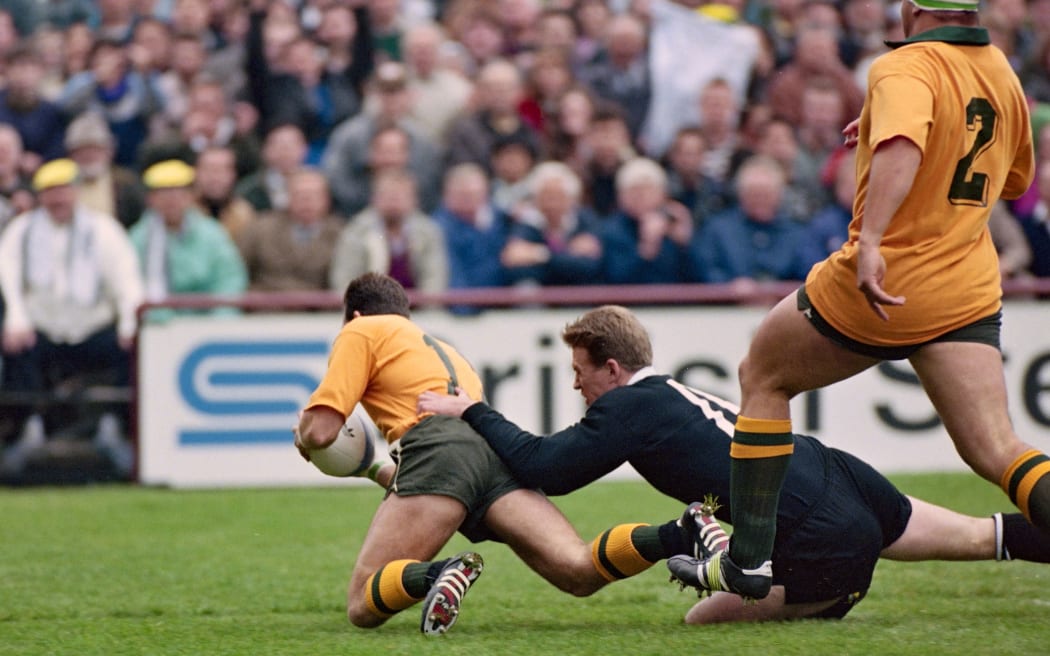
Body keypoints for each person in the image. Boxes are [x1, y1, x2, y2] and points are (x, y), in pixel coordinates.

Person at [688, 0, 1050, 602]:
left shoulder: (901, 67)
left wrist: (876, 239)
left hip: (889, 280)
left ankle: (748, 560)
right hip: (965, 288)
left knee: (764, 374)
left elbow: (905, 146)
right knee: (998, 450)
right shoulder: (1001, 70)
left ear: (912, 10)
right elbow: (1011, 180)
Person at [417, 305, 1050, 624]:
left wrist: (471, 407)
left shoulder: (630, 409)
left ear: (612, 369)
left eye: (581, 374)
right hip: (836, 473)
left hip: (813, 531)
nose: (578, 387)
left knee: (701, 623)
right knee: (982, 535)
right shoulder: (671, 392)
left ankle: (795, 580)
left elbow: (544, 468)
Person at [294, 274, 724, 634]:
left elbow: (323, 430)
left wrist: (305, 436)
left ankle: (438, 574)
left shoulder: (360, 330)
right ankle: (680, 532)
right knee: (576, 569)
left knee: (361, 603)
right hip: (486, 451)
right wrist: (373, 467)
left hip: (436, 447)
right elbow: (448, 487)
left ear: (354, 314)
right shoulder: (440, 348)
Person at [0, 158, 143, 474]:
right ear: (40, 196)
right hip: (42, 329)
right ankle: (24, 431)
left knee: (131, 352)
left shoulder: (103, 229)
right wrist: (16, 316)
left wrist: (129, 323)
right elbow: (7, 276)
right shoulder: (22, 231)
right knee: (15, 348)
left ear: (76, 192)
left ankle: (116, 428)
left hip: (93, 327)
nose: (58, 199)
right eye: (50, 192)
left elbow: (126, 280)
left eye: (64, 190)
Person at [128, 159, 247, 320]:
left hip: (208, 323)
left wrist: (221, 318)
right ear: (151, 199)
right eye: (163, 194)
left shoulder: (212, 233)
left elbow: (230, 278)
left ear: (191, 197)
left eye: (178, 193)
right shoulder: (138, 238)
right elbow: (132, 285)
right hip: (157, 327)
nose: (171, 201)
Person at [328, 169, 448, 295]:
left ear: (414, 200)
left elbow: (435, 279)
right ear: (374, 199)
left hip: (419, 310)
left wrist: (426, 308)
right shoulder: (356, 231)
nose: (393, 202)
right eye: (387, 196)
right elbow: (344, 279)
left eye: (400, 196)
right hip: (370, 308)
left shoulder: (429, 232)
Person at [235, 167, 342, 293]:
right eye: (300, 195)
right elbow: (236, 270)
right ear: (287, 197)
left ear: (326, 199)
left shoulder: (341, 233)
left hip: (319, 310)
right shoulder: (260, 229)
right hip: (266, 308)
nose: (306, 201)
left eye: (313, 195)